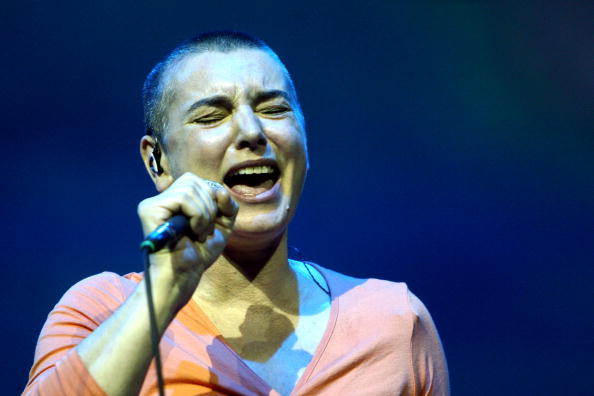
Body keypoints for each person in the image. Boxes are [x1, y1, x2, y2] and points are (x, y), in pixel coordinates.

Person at [23, 31, 449, 396]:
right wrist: (163, 289)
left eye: (274, 109)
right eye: (212, 116)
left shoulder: (393, 320)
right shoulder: (101, 310)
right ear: (158, 162)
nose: (251, 132)